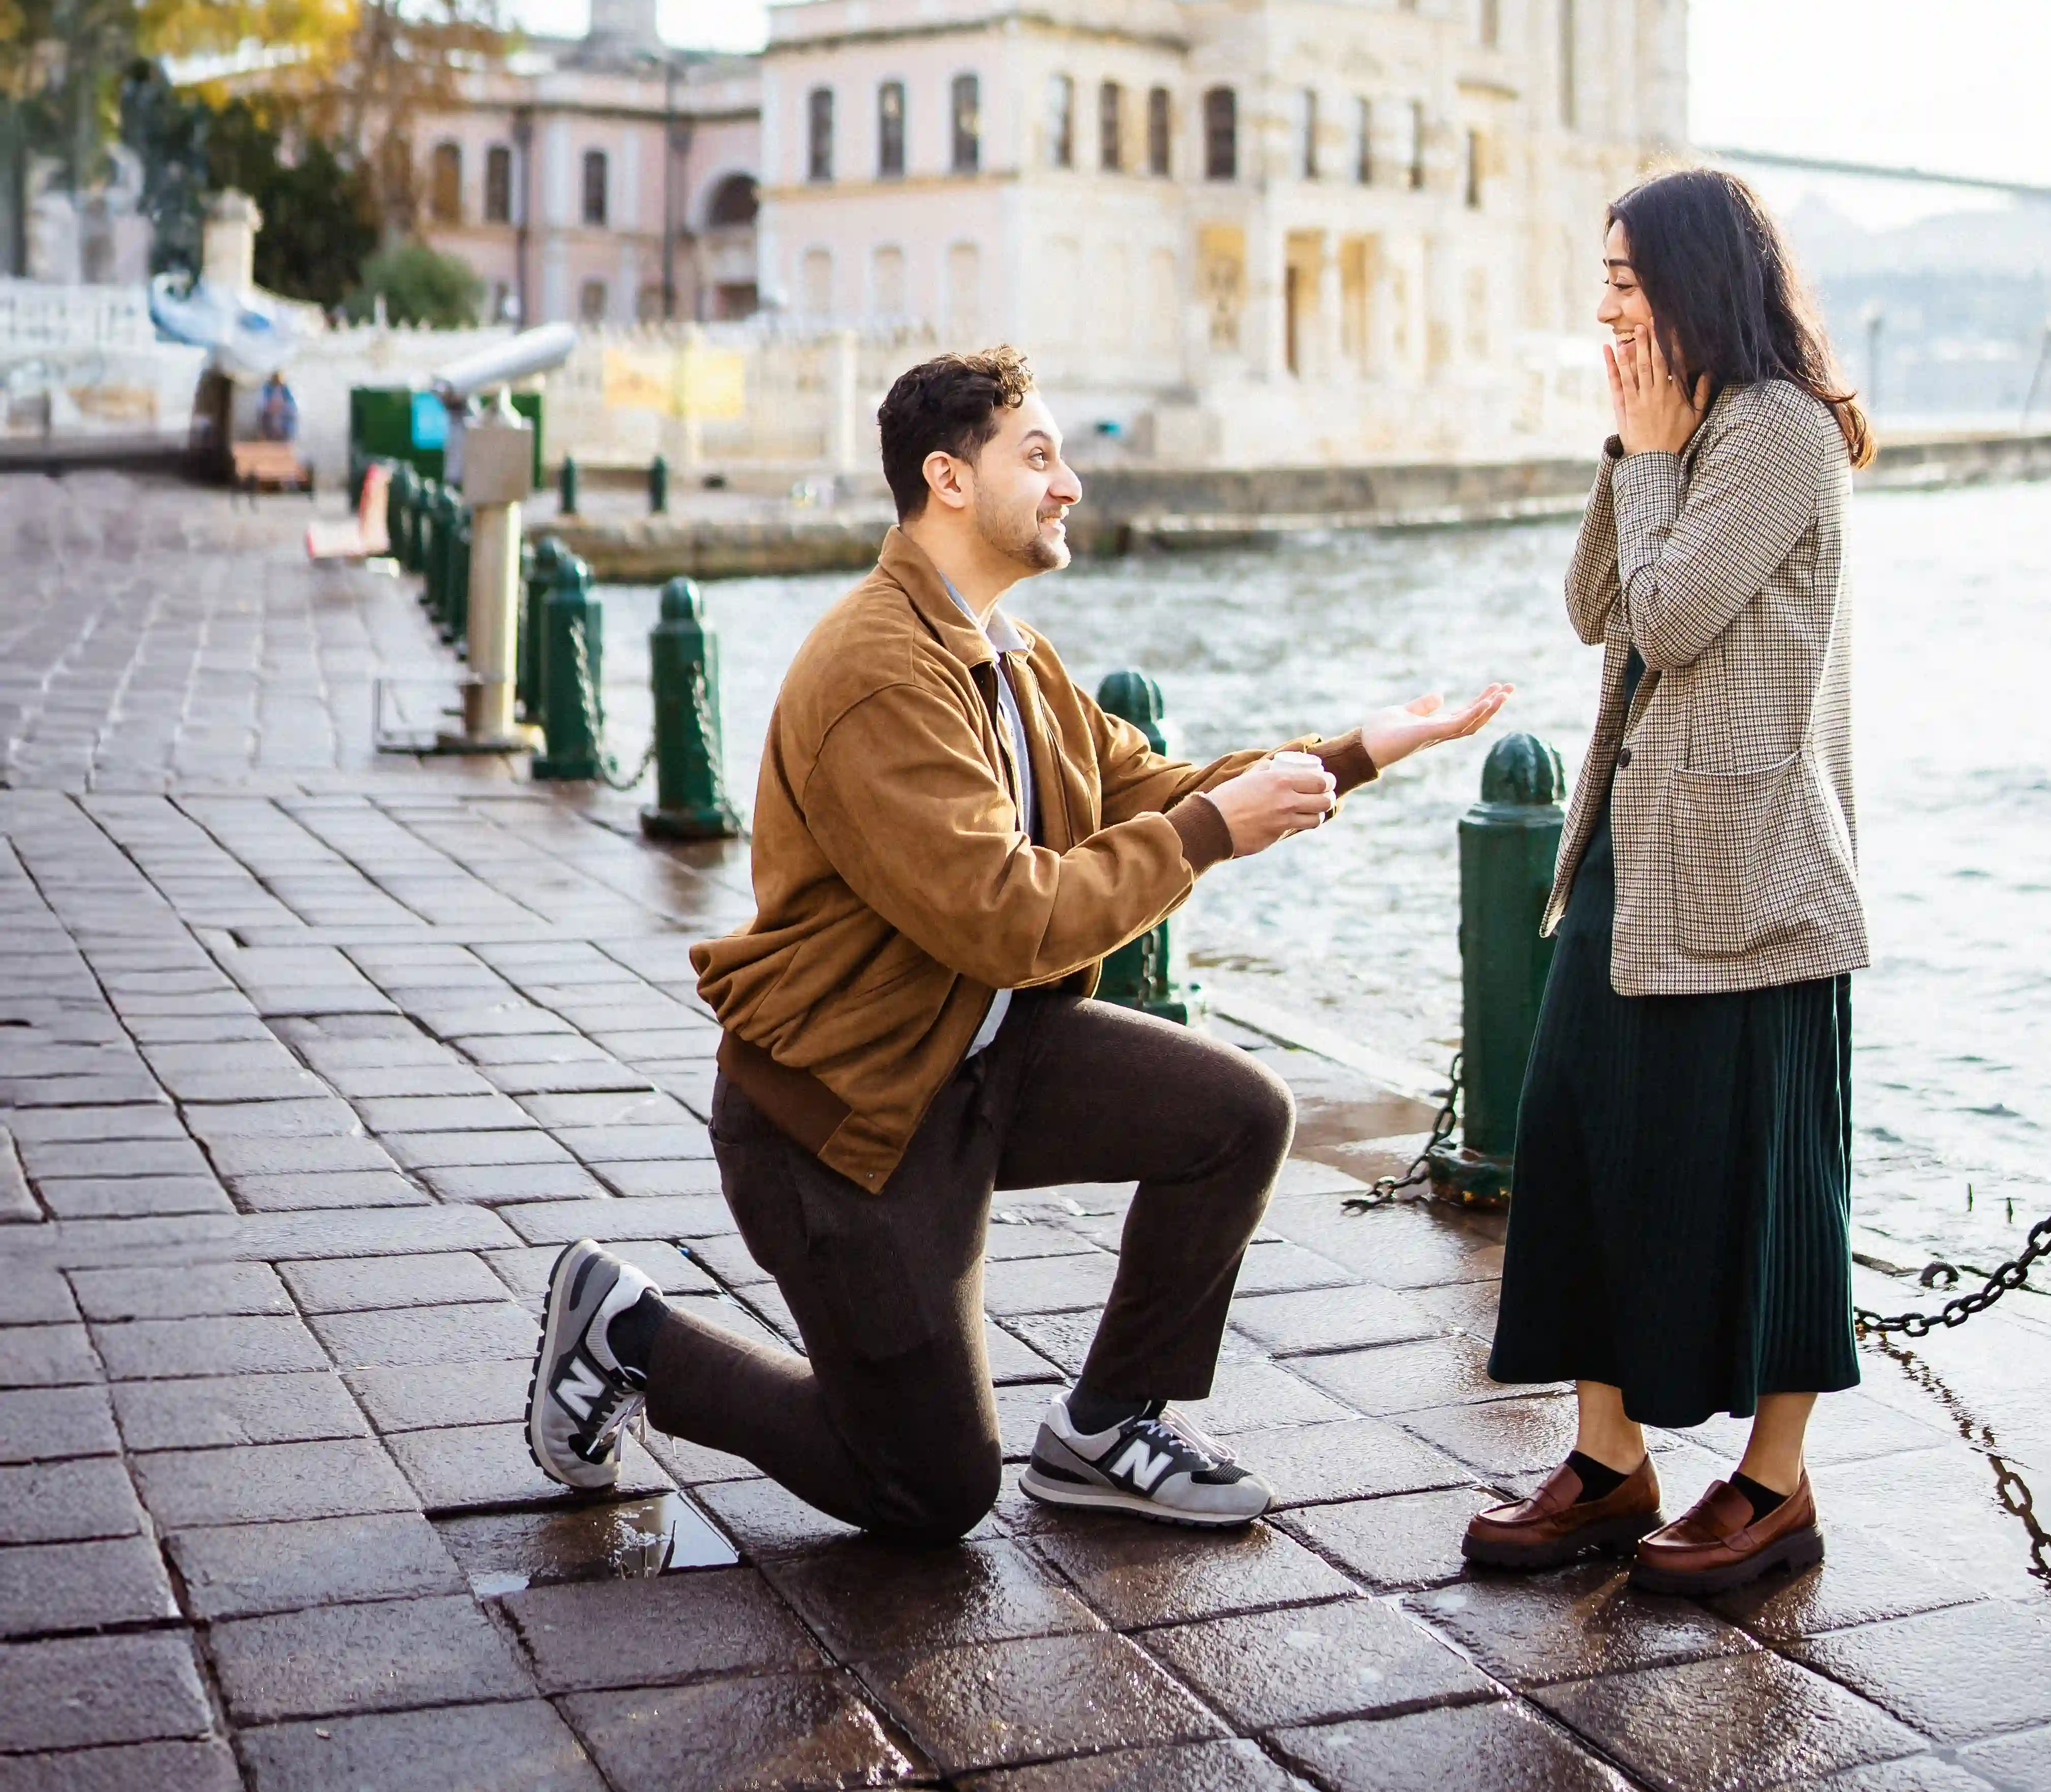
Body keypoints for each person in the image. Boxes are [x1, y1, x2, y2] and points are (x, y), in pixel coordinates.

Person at [526, 344, 1506, 1540]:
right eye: (1037, 457)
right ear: (947, 479)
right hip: (843, 1122)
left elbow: (1150, 793)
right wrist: (1208, 833)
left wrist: (1352, 751)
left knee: (1240, 1115)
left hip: (976, 1065)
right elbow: (1008, 918)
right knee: (928, 1493)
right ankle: (629, 1335)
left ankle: (1105, 1425)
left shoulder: (1011, 653)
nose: (1069, 484)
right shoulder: (878, 672)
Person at [1466, 167, 1872, 1599]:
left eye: (1628, 279)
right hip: (1630, 858)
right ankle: (1605, 1457)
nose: (1606, 303)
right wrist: (1632, 446)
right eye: (1603, 277)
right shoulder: (1683, 428)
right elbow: (1597, 608)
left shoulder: (1778, 433)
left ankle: (1771, 1482)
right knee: (1574, 1140)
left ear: (1698, 280)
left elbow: (1676, 614)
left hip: (1754, 874)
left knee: (1766, 1177)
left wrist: (1652, 459)